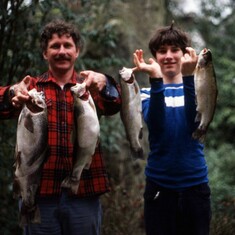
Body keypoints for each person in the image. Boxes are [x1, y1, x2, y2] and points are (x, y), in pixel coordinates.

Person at [0, 20, 121, 235]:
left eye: (67, 45)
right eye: (55, 46)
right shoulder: (31, 88)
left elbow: (116, 103)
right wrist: (12, 93)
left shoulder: (89, 87)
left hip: (84, 194)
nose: (62, 51)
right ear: (45, 54)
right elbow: (4, 105)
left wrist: (104, 81)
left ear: (77, 51)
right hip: (39, 194)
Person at [133, 23, 211, 235]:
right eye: (162, 50)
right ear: (155, 56)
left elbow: (195, 124)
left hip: (195, 188)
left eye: (175, 50)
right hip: (159, 188)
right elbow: (156, 124)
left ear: (185, 54)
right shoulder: (148, 93)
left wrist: (188, 78)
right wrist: (156, 82)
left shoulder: (199, 89)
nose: (168, 56)